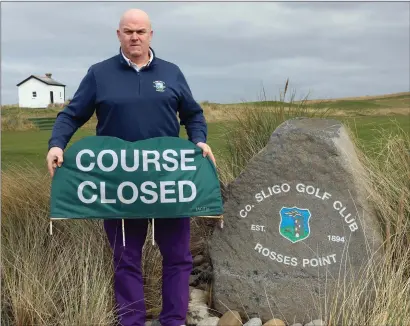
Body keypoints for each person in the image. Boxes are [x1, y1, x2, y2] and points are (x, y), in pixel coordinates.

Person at [46, 8, 215, 326]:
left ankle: (174, 320)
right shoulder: (99, 74)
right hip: (119, 184)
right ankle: (132, 321)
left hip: (169, 182)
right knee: (126, 258)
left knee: (178, 257)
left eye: (140, 31)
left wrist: (199, 140)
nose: (134, 36)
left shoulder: (171, 73)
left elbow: (193, 114)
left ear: (151, 34)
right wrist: (57, 144)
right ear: (118, 34)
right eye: (128, 31)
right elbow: (71, 115)